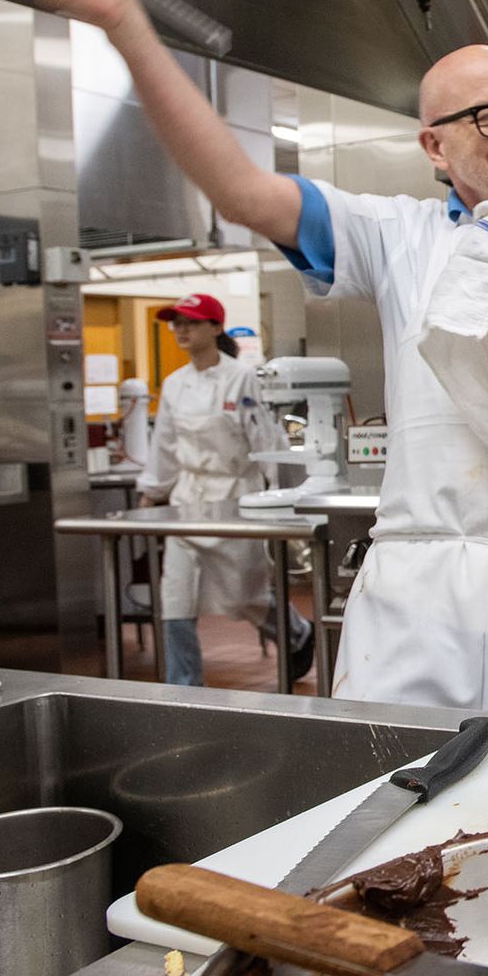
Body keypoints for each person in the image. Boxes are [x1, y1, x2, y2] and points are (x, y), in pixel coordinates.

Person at [17, 0, 488, 711]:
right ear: (435, 147)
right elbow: (240, 189)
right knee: (392, 814)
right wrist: (126, 24)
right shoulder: (392, 236)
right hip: (422, 602)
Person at [136, 293, 315, 687]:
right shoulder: (174, 383)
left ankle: (299, 633)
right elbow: (164, 445)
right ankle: (184, 689)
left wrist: (285, 498)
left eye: (191, 322)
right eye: (176, 323)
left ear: (215, 327)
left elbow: (266, 443)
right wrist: (151, 492)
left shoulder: (241, 378)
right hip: (187, 503)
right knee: (176, 600)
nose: (181, 330)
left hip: (235, 500)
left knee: (242, 597)